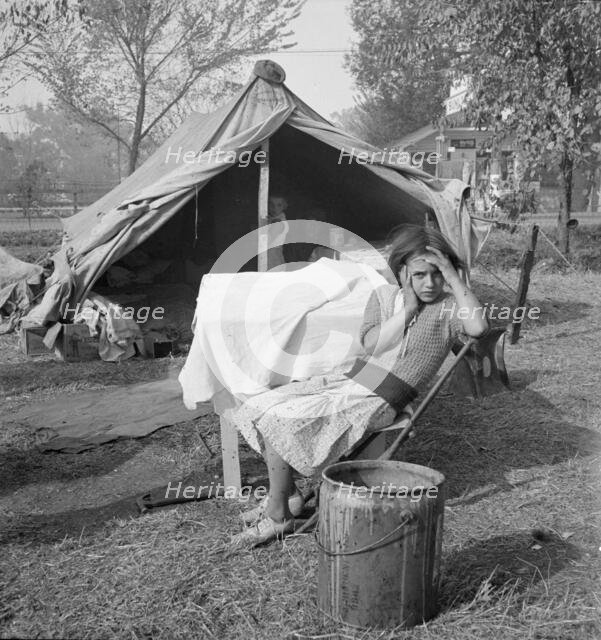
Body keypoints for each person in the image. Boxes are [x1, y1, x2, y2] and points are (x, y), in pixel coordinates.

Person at [229, 224, 489, 547]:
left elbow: (478, 327)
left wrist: (454, 276)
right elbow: (371, 345)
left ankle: (279, 514)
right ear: (402, 271)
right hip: (352, 381)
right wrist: (407, 310)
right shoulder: (383, 298)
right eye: (420, 274)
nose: (430, 283)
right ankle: (289, 495)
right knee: (263, 405)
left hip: (382, 397)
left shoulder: (447, 308)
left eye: (438, 274)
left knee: (283, 420)